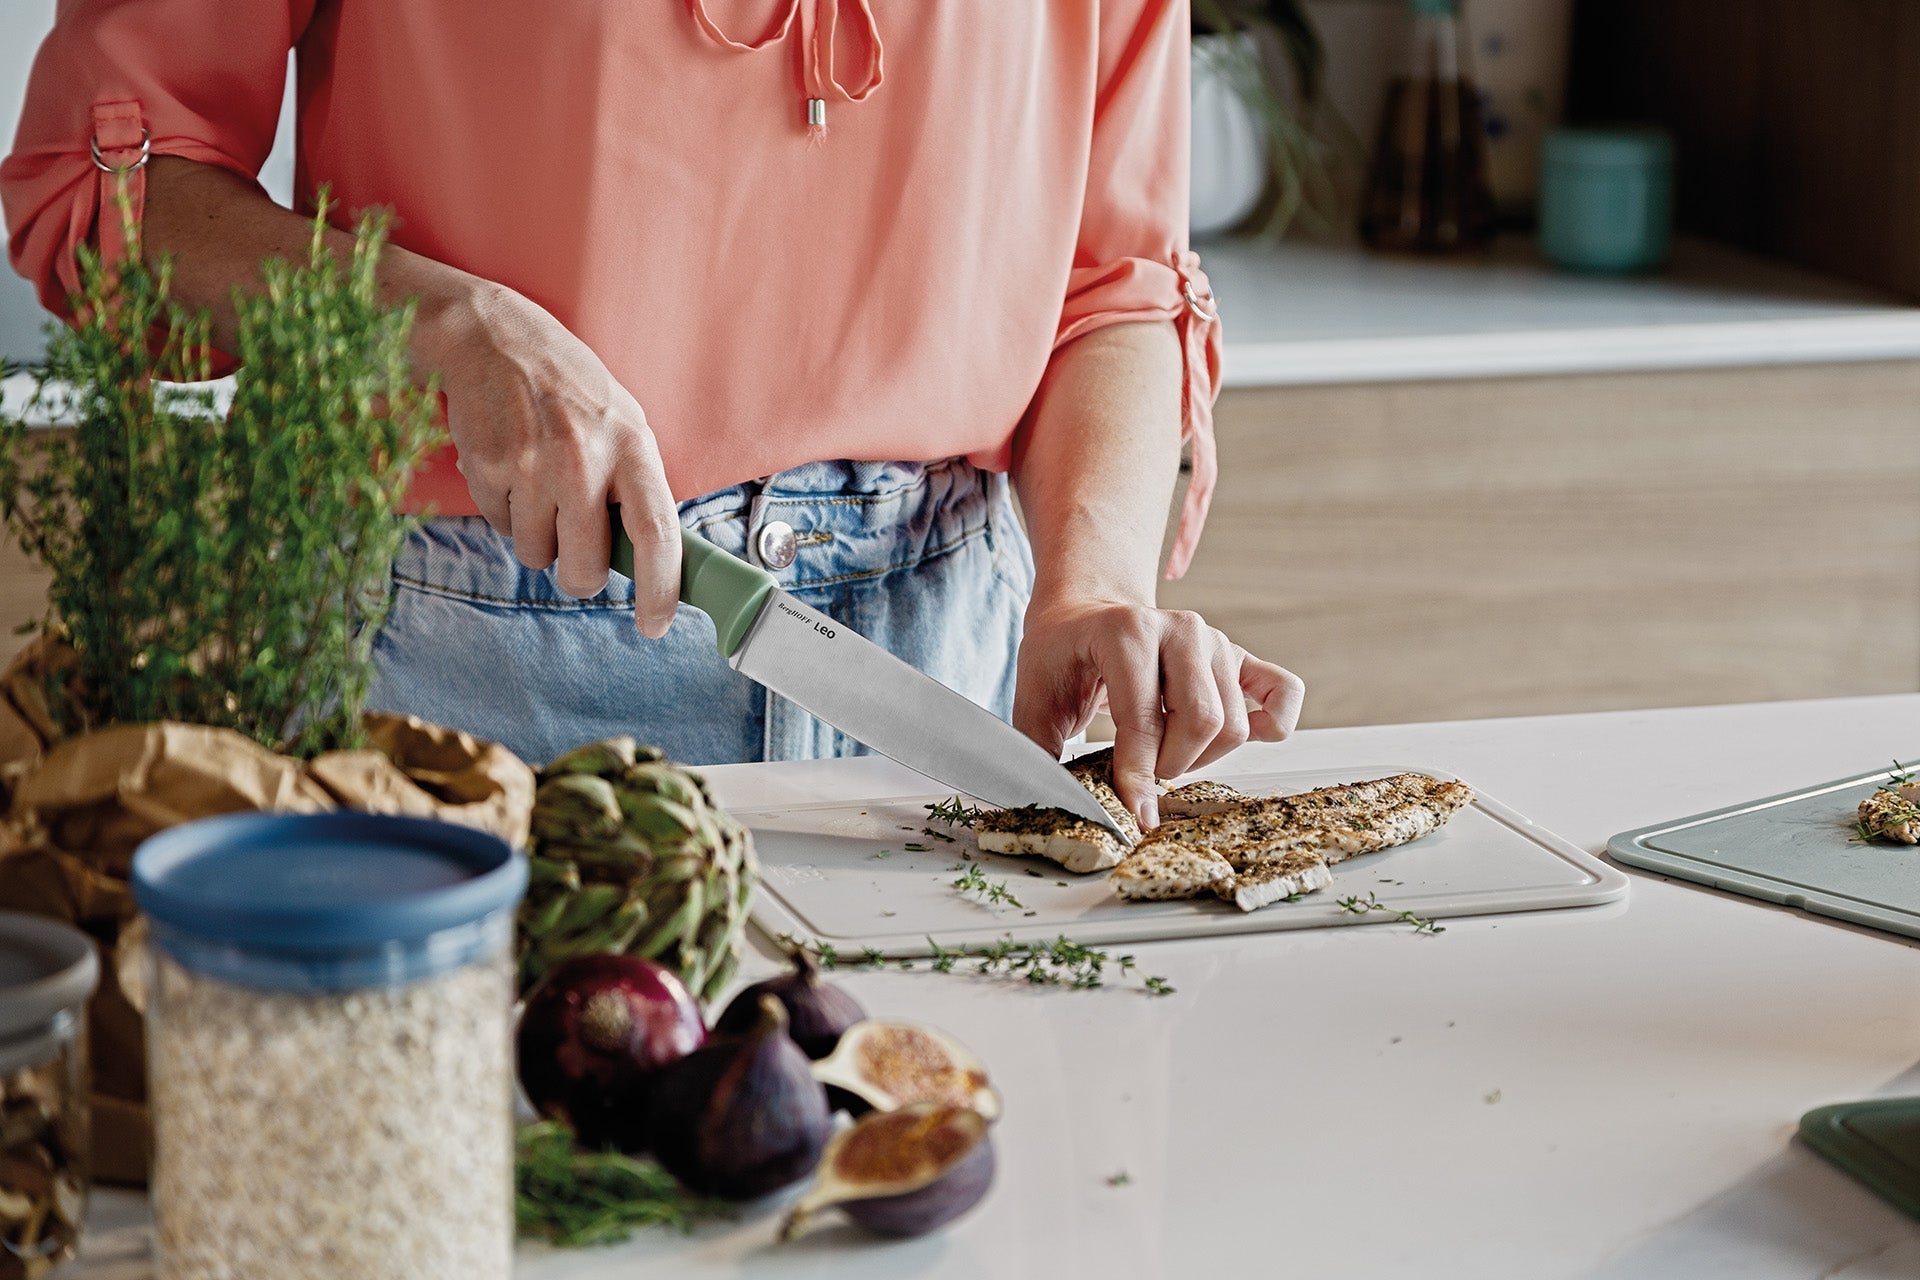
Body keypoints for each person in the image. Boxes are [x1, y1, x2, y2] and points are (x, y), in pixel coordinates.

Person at [2, 0, 1304, 829]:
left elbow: (1113, 282)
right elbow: (110, 191)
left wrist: (1084, 592)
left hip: (952, 673)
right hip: (472, 680)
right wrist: (446, 327)